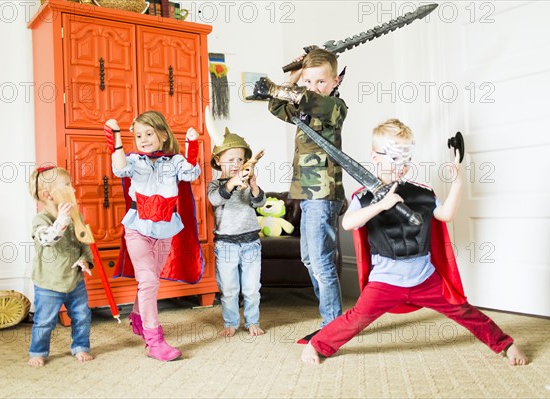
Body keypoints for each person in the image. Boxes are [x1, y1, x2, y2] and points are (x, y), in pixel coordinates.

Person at [301, 119, 528, 366]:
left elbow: (446, 215)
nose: (402, 166)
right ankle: (318, 344)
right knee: (357, 318)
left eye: (407, 159)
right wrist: (381, 205)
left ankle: (504, 344)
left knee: (463, 310)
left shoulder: (422, 192)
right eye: (395, 158)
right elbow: (349, 223)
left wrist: (458, 184)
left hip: (424, 277)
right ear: (375, 157)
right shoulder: (363, 197)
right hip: (386, 280)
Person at [254, 48, 347, 337]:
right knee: (309, 259)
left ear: (335, 82)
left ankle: (332, 327)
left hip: (324, 193)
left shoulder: (334, 107)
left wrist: (288, 88)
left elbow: (306, 99)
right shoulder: (302, 106)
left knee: (320, 261)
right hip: (304, 192)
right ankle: (333, 321)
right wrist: (295, 72)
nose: (313, 87)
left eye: (321, 81)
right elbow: (276, 105)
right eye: (309, 82)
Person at [104, 111, 201, 361]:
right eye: (138, 135)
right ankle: (154, 341)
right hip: (137, 228)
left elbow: (191, 174)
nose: (143, 139)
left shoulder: (175, 160)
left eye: (149, 133)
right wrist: (115, 140)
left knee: (150, 279)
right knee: (148, 281)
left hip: (165, 229)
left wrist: (192, 146)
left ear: (163, 134)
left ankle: (137, 318)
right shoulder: (135, 160)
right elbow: (119, 168)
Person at [27, 166, 94, 367]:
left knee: (82, 316)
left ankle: (81, 346)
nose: (73, 189)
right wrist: (62, 220)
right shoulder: (41, 219)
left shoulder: (76, 217)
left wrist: (85, 260)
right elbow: (47, 239)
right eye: (67, 186)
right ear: (48, 195)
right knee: (44, 320)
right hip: (49, 282)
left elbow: (84, 241)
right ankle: (38, 351)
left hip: (74, 280)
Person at [207, 129, 267, 337]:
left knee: (251, 288)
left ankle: (252, 321)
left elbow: (260, 203)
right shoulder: (215, 185)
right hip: (226, 245)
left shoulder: (246, 183)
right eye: (230, 159)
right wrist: (233, 183)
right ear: (217, 160)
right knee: (230, 289)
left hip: (251, 242)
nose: (236, 163)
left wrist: (253, 186)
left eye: (240, 159)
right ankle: (231, 322)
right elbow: (216, 199)